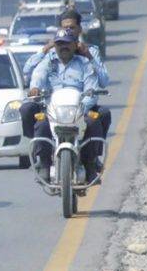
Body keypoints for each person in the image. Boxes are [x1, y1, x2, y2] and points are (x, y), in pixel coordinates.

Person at [20, 9, 111, 161]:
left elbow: (102, 82)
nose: (64, 46)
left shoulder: (87, 57)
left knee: (99, 117)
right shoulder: (50, 57)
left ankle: (92, 159)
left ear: (79, 29)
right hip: (52, 107)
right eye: (64, 29)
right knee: (29, 111)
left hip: (79, 106)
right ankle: (41, 155)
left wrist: (88, 56)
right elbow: (33, 72)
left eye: (72, 28)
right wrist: (45, 50)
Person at [28, 28, 103, 183]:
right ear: (55, 46)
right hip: (53, 110)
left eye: (67, 44)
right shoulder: (48, 61)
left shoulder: (84, 64)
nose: (64, 47)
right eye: (60, 44)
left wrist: (83, 107)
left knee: (94, 122)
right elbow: (37, 74)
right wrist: (35, 87)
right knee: (41, 124)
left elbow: (92, 88)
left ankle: (90, 166)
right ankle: (44, 164)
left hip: (78, 109)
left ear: (75, 45)